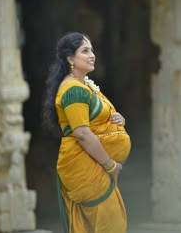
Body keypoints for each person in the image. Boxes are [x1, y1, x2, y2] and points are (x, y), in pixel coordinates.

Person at [43, 32, 131, 233]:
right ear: (70, 59)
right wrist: (110, 166)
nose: (92, 55)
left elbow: (99, 117)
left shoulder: (84, 85)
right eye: (85, 51)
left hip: (93, 165)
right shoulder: (73, 90)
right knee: (111, 225)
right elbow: (82, 133)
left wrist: (117, 120)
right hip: (86, 167)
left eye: (92, 50)